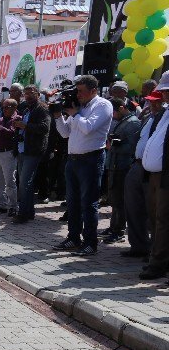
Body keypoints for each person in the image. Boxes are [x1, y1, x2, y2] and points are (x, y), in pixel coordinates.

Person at [53, 74, 114, 257]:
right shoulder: (79, 108)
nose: (77, 94)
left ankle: (90, 242)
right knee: (72, 202)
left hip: (91, 159)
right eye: (76, 90)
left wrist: (74, 114)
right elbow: (64, 133)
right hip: (73, 160)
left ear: (93, 90)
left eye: (80, 91)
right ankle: (73, 238)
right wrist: (58, 116)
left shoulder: (103, 105)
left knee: (88, 203)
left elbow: (88, 128)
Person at [124, 92, 164, 258]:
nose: (153, 106)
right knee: (132, 206)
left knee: (154, 211)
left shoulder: (164, 118)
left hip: (154, 170)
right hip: (138, 164)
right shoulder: (148, 117)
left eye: (157, 103)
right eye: (150, 102)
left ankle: (156, 250)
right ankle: (138, 246)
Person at [139, 72, 169, 280]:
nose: (164, 95)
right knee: (157, 218)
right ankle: (157, 259)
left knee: (163, 220)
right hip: (155, 175)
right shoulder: (164, 114)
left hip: (166, 176)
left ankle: (158, 263)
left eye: (167, 91)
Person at [104, 98, 142, 244]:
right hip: (115, 165)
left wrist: (112, 146)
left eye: (113, 112)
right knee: (114, 199)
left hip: (123, 166)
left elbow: (132, 148)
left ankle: (118, 230)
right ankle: (114, 226)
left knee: (120, 200)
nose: (112, 115)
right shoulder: (125, 120)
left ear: (121, 108)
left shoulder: (132, 122)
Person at [12, 86, 51, 224]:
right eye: (26, 93)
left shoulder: (42, 108)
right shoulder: (26, 108)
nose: (27, 95)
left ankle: (23, 213)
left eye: (31, 93)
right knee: (24, 183)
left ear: (38, 94)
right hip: (22, 149)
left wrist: (25, 126)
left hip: (33, 150)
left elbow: (45, 128)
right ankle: (28, 212)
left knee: (24, 183)